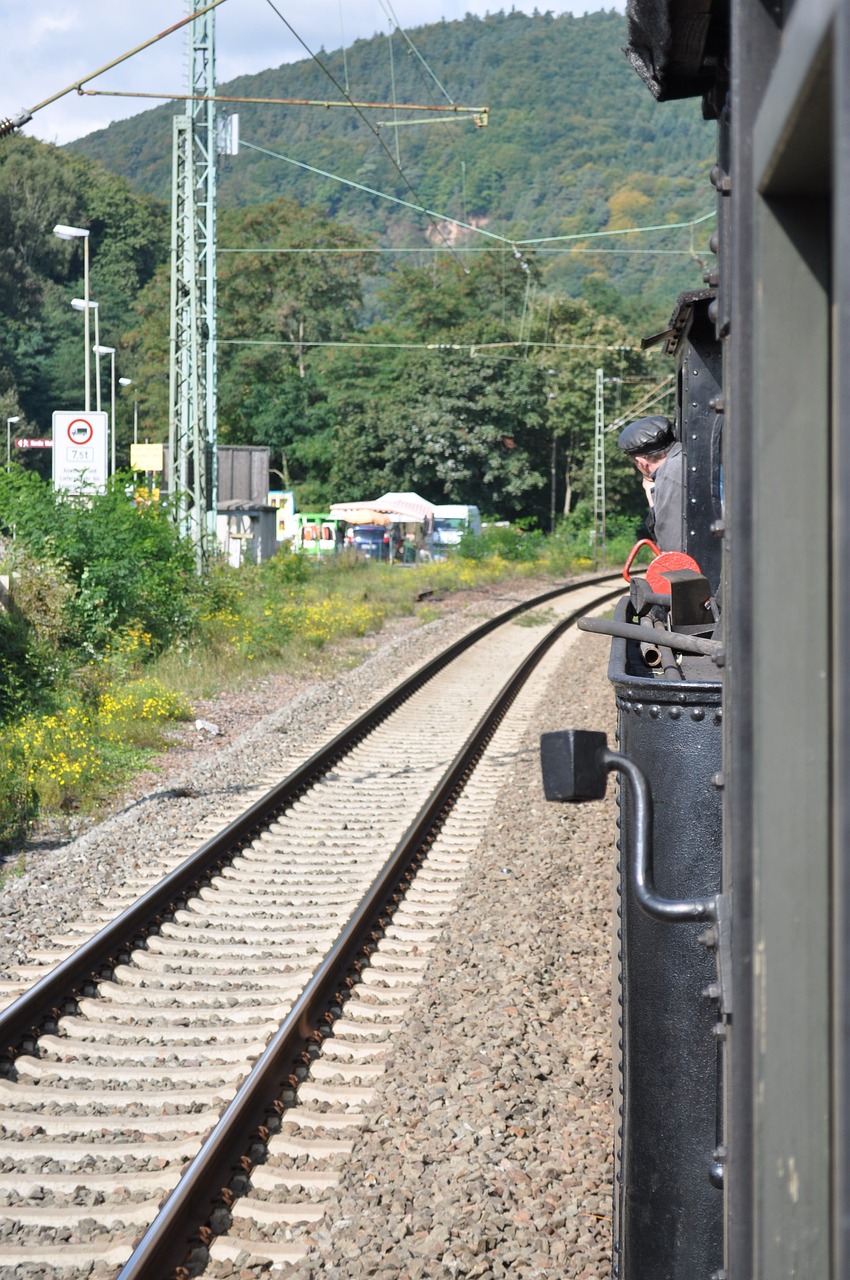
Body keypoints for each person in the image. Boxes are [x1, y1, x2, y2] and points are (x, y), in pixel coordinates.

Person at [617, 415, 685, 553]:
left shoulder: (669, 475)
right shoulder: (683, 457)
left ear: (642, 462)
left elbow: (670, 548)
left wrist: (650, 494)